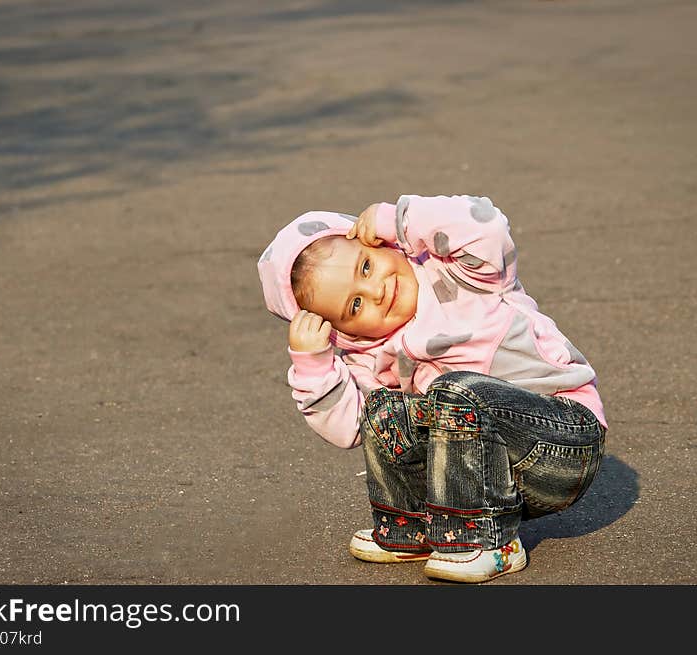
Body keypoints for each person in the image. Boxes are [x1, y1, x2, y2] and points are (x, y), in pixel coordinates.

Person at [257, 194, 607, 583]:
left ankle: (493, 542)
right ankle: (416, 527)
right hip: (480, 473)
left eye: (367, 266)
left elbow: (486, 226)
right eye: (354, 305)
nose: (376, 292)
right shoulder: (371, 355)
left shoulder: (461, 275)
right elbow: (352, 428)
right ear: (341, 331)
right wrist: (314, 365)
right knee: (383, 410)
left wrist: (400, 220)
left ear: (381, 243)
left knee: (453, 392)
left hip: (561, 442)